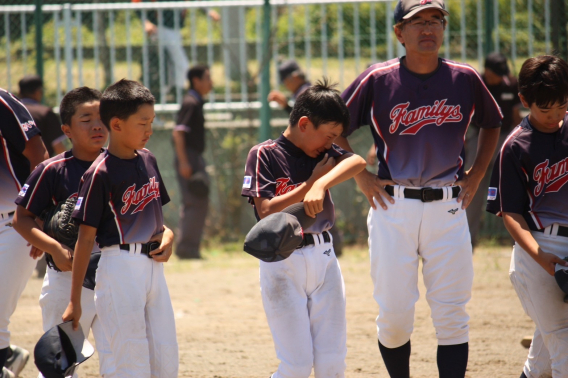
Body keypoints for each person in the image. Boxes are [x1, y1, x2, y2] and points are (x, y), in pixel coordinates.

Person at [336, 0, 503, 376]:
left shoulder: (464, 78)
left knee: (452, 315)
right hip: (393, 206)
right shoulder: (377, 78)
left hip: (448, 206)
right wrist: (360, 174)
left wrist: (477, 174)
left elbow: (493, 123)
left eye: (435, 21)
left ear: (444, 30)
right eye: (417, 22)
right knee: (394, 317)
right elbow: (334, 127)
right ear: (400, 32)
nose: (427, 29)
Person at [241, 79, 366, 378]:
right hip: (283, 260)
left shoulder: (323, 155)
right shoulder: (265, 154)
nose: (332, 142)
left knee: (332, 363)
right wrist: (310, 184)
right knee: (296, 365)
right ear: (305, 123)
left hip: (324, 257)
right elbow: (267, 210)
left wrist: (322, 182)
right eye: (329, 135)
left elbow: (358, 161)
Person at [62, 79, 178, 377]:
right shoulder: (99, 173)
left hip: (154, 270)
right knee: (131, 360)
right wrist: (75, 301)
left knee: (165, 359)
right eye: (142, 123)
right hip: (120, 268)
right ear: (116, 124)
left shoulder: (149, 159)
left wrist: (169, 235)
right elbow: (85, 240)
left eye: (151, 122)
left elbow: (159, 221)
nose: (149, 130)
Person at [13, 87, 115, 377]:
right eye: (86, 118)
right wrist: (53, 247)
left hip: (113, 274)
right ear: (66, 129)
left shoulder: (121, 165)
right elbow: (22, 219)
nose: (97, 125)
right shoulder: (52, 170)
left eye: (101, 117)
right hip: (66, 276)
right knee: (61, 365)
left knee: (120, 358)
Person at [486, 55, 568, 378]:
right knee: (563, 340)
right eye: (544, 109)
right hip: (540, 247)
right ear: (524, 101)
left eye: (561, 106)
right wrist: (539, 255)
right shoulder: (515, 147)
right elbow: (511, 214)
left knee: (543, 363)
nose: (554, 116)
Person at [0, 88, 48, 378]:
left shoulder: (2, 102)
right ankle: (7, 356)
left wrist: (39, 213)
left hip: (13, 224)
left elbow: (39, 156)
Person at [464, 52, 523, 248]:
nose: (501, 76)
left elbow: (516, 116)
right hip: (478, 136)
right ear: (487, 70)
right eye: (497, 73)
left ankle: (520, 240)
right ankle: (466, 240)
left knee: (513, 186)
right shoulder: (476, 84)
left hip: (505, 136)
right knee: (471, 187)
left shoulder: (511, 84)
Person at [134, 0, 220, 98]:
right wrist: (146, 21)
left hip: (174, 30)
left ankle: (173, 93)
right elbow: (136, 3)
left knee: (172, 65)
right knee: (181, 65)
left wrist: (208, 10)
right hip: (161, 28)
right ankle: (177, 94)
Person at [172, 64, 212, 259]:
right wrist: (184, 162)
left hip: (193, 156)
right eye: (208, 78)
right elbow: (178, 133)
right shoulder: (190, 102)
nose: (211, 83)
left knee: (198, 200)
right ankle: (186, 248)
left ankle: (189, 246)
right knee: (194, 201)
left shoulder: (195, 101)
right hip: (189, 156)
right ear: (196, 80)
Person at [18, 75, 67, 157]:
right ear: (38, 92)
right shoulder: (44, 112)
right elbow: (57, 145)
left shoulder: (10, 111)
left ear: (19, 92)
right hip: (39, 166)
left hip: (11, 166)